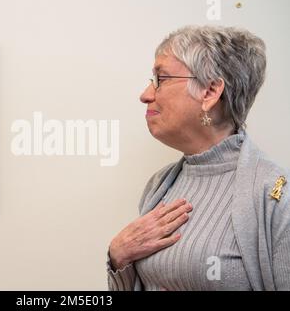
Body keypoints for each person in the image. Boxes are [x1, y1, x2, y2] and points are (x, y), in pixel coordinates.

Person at [107, 25, 290, 290]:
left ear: (210, 92)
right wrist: (118, 256)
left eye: (161, 79)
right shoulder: (159, 186)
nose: (145, 95)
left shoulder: (274, 194)